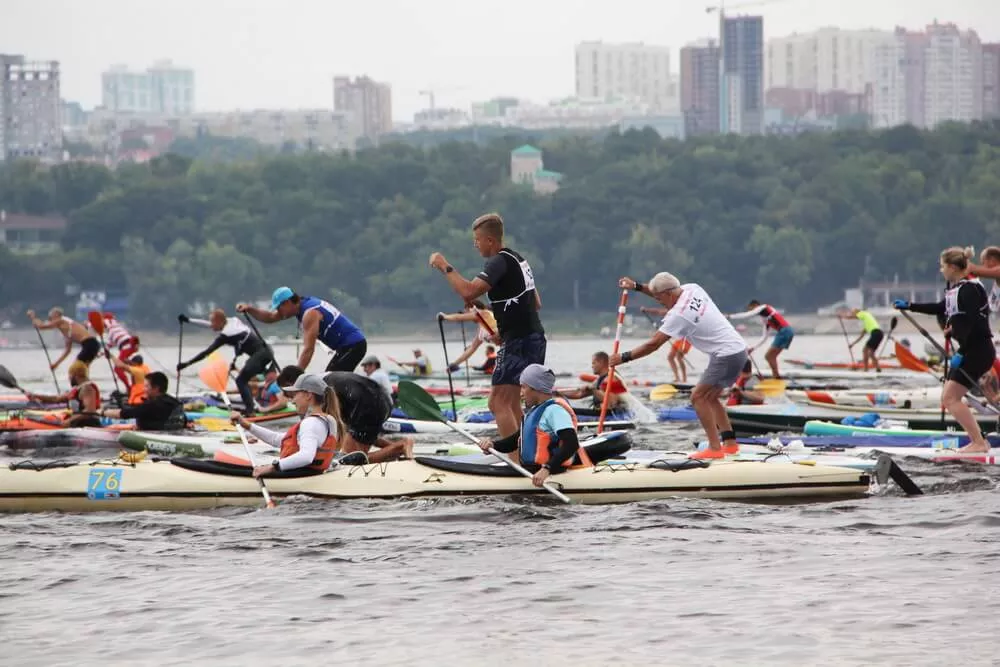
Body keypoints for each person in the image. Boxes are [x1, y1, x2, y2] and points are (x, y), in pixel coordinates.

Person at [429, 212, 545, 440]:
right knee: (511, 403)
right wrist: (504, 330)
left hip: (520, 341)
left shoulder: (498, 261)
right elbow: (536, 303)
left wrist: (444, 266)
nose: (475, 245)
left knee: (497, 403)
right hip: (532, 337)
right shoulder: (518, 259)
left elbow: (468, 291)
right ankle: (526, 453)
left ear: (490, 241)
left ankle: (516, 461)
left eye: (477, 240)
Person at [609, 272, 748, 460]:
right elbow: (662, 291)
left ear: (668, 294)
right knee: (711, 398)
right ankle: (730, 444)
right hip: (739, 350)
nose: (660, 303)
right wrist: (636, 286)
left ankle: (715, 449)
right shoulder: (692, 287)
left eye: (660, 299)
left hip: (726, 355)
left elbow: (653, 344)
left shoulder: (679, 316)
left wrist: (623, 357)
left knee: (698, 397)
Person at [894, 247, 995, 454]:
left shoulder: (970, 289)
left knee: (950, 398)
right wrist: (910, 305)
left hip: (977, 351)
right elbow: (941, 307)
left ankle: (978, 443)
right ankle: (978, 441)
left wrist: (961, 351)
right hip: (972, 350)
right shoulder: (959, 289)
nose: (941, 271)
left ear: (951, 267)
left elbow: (974, 322)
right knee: (950, 397)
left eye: (942, 266)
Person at [477, 364, 591, 488]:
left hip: (551, 473)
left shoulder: (555, 411)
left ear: (536, 389)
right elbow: (515, 440)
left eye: (524, 388)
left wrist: (547, 469)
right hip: (532, 471)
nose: (520, 393)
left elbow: (571, 443)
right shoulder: (534, 412)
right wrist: (493, 445)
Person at [277, 366, 413, 463]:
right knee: (356, 435)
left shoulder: (319, 390)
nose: (290, 398)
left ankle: (399, 447)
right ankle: (393, 448)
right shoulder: (321, 379)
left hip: (369, 401)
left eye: (290, 394)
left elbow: (332, 434)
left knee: (347, 460)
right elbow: (344, 431)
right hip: (381, 398)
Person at [231, 373, 343, 477]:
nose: (293, 401)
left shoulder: (311, 423)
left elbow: (306, 457)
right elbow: (277, 439)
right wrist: (245, 424)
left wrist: (272, 467)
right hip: (307, 473)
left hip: (301, 476)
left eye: (295, 395)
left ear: (308, 395)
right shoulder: (322, 421)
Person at [238, 288, 367, 373]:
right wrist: (249, 309)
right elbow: (270, 318)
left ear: (287, 302)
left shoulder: (310, 313)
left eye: (279, 308)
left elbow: (309, 349)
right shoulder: (301, 305)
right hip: (346, 347)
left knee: (330, 383)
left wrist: (296, 375)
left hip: (353, 345)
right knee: (329, 382)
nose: (278, 312)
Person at [176, 309, 275, 417]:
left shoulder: (226, 334)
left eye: (213, 322)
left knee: (241, 380)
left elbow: (206, 352)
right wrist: (188, 320)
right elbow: (208, 324)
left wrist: (186, 364)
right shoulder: (231, 320)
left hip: (261, 354)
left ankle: (250, 411)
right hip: (267, 351)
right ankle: (261, 399)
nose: (211, 326)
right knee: (248, 377)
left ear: (219, 321)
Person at [728, 300, 795, 379]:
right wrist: (753, 348)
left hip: (785, 331)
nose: (752, 311)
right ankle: (776, 377)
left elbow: (748, 314)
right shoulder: (766, 319)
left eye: (751, 309)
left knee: (769, 356)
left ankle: (776, 378)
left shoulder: (764, 307)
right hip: (787, 332)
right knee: (770, 356)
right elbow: (764, 337)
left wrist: (729, 316)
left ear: (756, 305)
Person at [27, 308, 100, 378]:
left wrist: (32, 317)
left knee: (76, 369)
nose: (50, 320)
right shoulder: (67, 331)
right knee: (82, 369)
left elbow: (41, 326)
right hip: (92, 345)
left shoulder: (61, 320)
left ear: (56, 314)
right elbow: (67, 351)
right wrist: (56, 364)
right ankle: (84, 384)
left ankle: (83, 385)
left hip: (90, 344)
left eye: (51, 317)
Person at [25, 362, 102, 427]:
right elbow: (56, 399)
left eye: (70, 375)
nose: (69, 378)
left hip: (89, 424)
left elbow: (90, 410)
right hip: (78, 423)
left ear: (76, 375)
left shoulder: (87, 388)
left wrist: (70, 420)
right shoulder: (77, 388)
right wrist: (35, 396)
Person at [100, 371, 187, 431]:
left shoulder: (151, 405)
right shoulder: (175, 402)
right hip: (173, 433)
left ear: (156, 388)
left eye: (146, 386)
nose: (143, 389)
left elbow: (125, 414)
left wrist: (103, 412)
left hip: (159, 436)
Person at [557, 351, 628, 413]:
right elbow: (579, 394)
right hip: (600, 412)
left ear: (601, 363)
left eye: (594, 363)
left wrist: (592, 389)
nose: (592, 366)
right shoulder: (599, 380)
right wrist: (558, 393)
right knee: (564, 409)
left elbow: (611, 402)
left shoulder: (612, 378)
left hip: (613, 415)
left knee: (566, 411)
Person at [440, 301, 499, 375]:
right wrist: (455, 364)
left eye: (467, 311)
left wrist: (445, 317)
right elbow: (472, 348)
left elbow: (458, 317)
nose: (466, 314)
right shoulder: (481, 330)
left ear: (474, 309)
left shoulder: (483, 313)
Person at [641, 306, 691, 382]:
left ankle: (684, 379)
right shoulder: (671, 312)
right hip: (679, 339)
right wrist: (646, 310)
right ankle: (677, 378)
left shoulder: (681, 311)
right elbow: (658, 312)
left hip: (687, 338)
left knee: (679, 356)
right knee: (670, 357)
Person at [99, 312, 141, 389]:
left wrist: (104, 352)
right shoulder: (118, 326)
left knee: (117, 368)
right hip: (130, 345)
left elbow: (108, 345)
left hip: (126, 347)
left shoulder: (110, 329)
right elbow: (111, 344)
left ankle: (129, 387)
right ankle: (133, 384)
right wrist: (103, 352)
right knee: (128, 365)